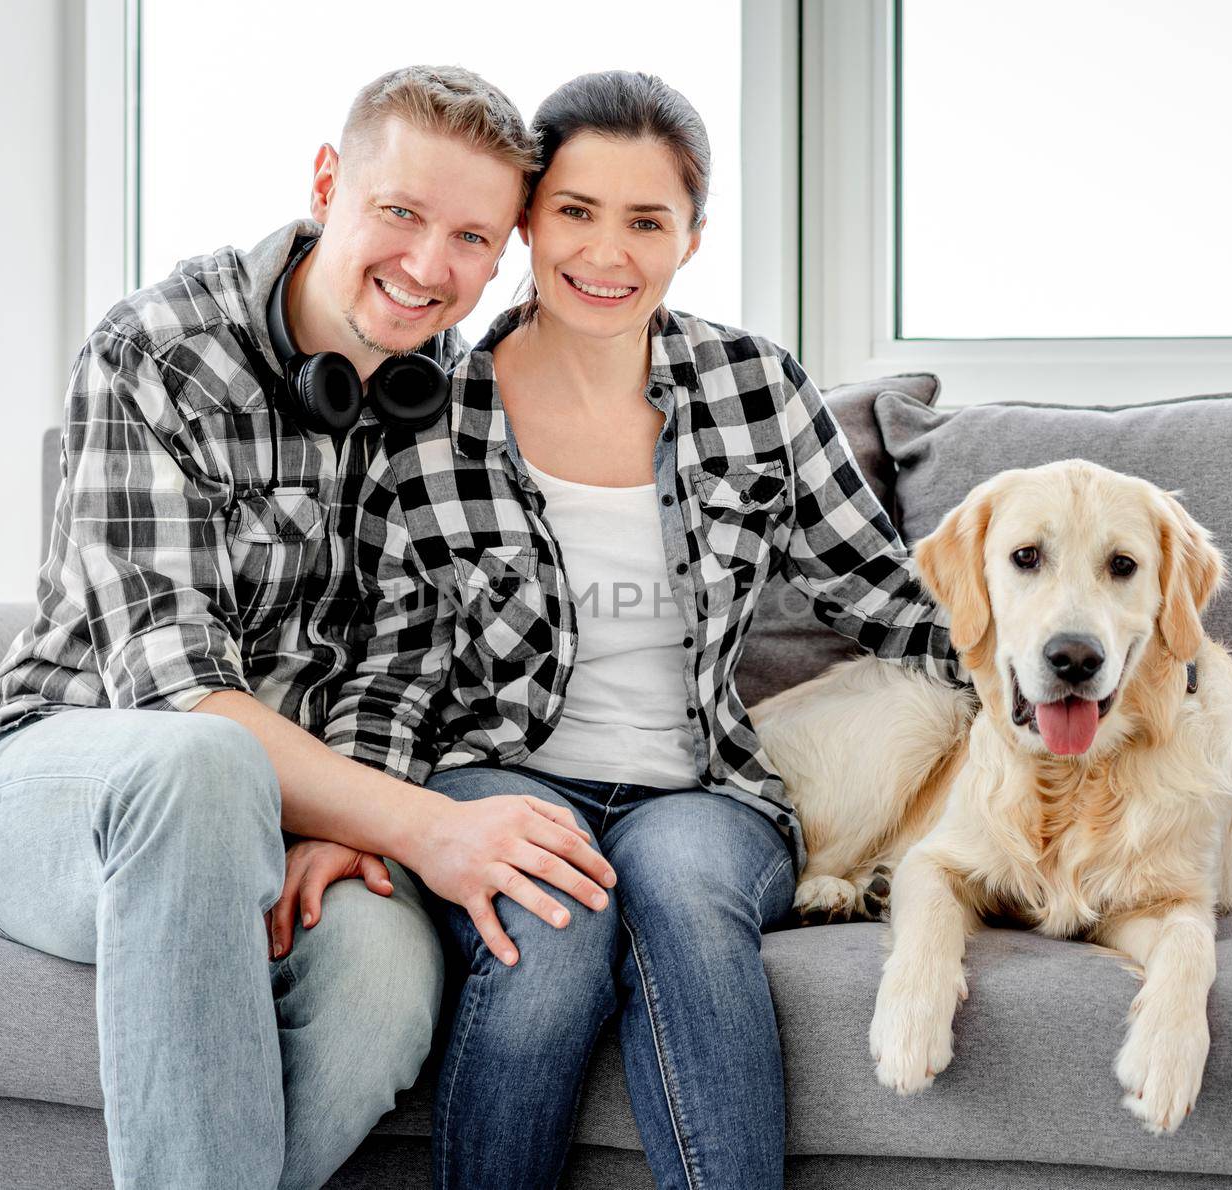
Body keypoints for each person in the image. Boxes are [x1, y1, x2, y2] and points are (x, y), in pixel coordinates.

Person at [0, 66, 615, 1190]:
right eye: (400, 212)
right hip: (65, 778)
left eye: (472, 237)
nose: (429, 267)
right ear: (327, 182)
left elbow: (400, 670)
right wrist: (424, 826)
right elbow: (175, 694)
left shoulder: (450, 405)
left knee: (387, 989)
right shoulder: (155, 351)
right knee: (198, 768)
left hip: (299, 810)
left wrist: (351, 816)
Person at [334, 71, 966, 1189]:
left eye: (646, 220)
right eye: (575, 211)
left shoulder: (754, 388)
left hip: (700, 788)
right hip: (500, 771)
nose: (605, 252)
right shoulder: (429, 406)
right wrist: (350, 812)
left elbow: (884, 597)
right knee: (555, 928)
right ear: (528, 219)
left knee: (676, 886)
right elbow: (394, 660)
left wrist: (1071, 700)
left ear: (693, 236)